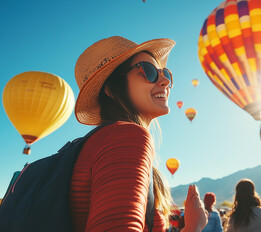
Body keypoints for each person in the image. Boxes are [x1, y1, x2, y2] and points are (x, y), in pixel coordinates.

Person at [69, 36, 208, 231]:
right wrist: (193, 228)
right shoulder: (125, 137)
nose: (165, 81)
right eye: (148, 71)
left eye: (165, 72)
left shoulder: (97, 144)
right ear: (111, 89)